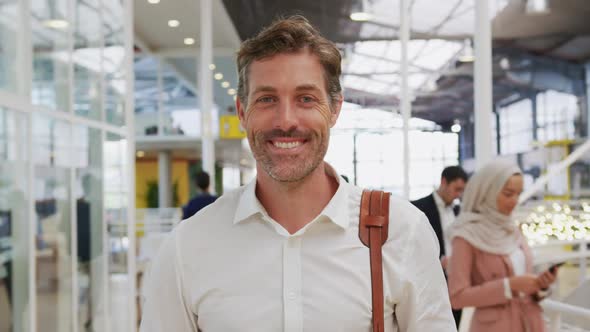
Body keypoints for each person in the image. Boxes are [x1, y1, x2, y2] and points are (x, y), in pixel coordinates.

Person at [140, 15, 456, 332]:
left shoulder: (401, 230)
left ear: (334, 109)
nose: (287, 120)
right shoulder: (189, 245)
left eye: (306, 98)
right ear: (241, 112)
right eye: (267, 99)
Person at [447, 159, 557, 332]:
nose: (515, 201)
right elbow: (457, 297)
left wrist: (540, 285)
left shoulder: (512, 229)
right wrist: (508, 286)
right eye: (508, 193)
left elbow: (524, 279)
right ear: (488, 191)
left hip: (530, 322)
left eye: (518, 194)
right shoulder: (466, 235)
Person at [411, 165, 467, 327]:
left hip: (457, 279)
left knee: (455, 323)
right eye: (456, 189)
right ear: (443, 182)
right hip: (430, 280)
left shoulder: (459, 211)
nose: (458, 195)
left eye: (462, 191)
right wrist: (437, 261)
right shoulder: (418, 208)